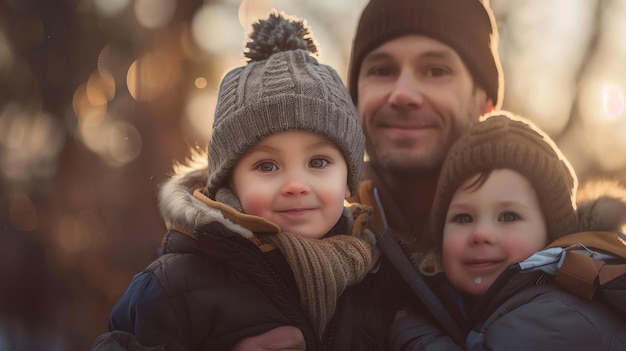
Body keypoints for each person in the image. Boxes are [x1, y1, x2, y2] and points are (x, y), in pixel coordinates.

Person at [97, 12, 377, 351]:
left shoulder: (374, 277)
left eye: (318, 162)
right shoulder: (174, 286)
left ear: (348, 181)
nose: (295, 184)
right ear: (229, 183)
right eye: (267, 166)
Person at [389, 112, 626, 350]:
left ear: (552, 233)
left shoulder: (560, 315)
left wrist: (416, 339)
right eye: (463, 217)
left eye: (509, 216)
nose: (481, 234)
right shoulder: (467, 308)